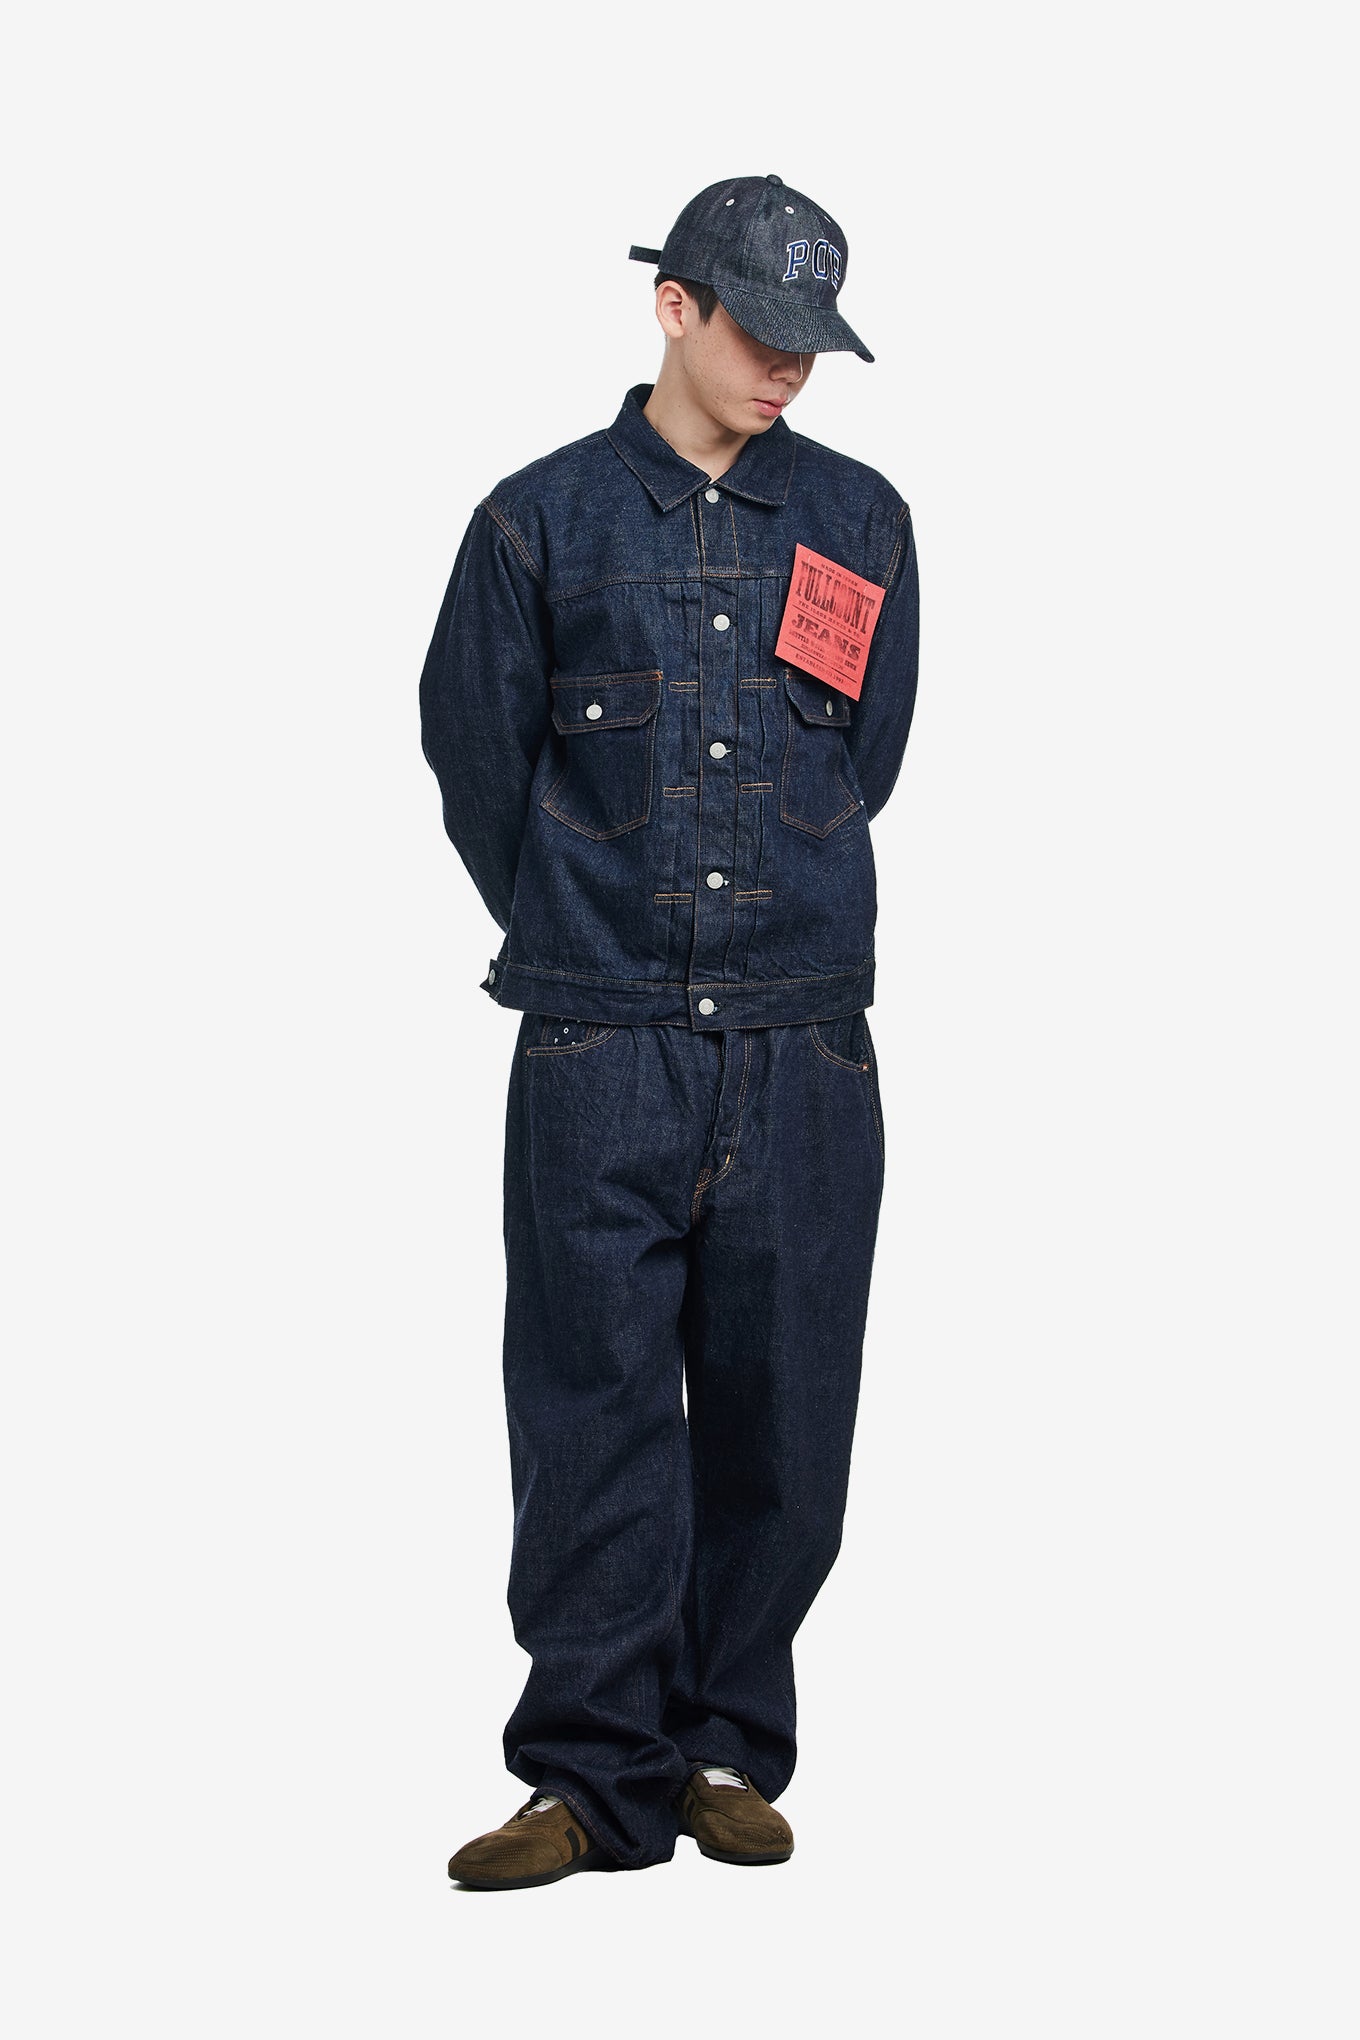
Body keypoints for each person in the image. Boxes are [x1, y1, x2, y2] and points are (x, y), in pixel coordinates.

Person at [420, 172, 920, 1891]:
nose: (787, 368)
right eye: (759, 332)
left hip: (803, 1041)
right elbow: (478, 761)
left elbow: (866, 760)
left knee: (787, 1410)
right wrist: (586, 919)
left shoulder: (861, 522)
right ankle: (587, 1777)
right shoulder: (536, 522)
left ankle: (721, 1747)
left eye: (811, 343)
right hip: (596, 1043)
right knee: (590, 1409)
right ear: (673, 308)